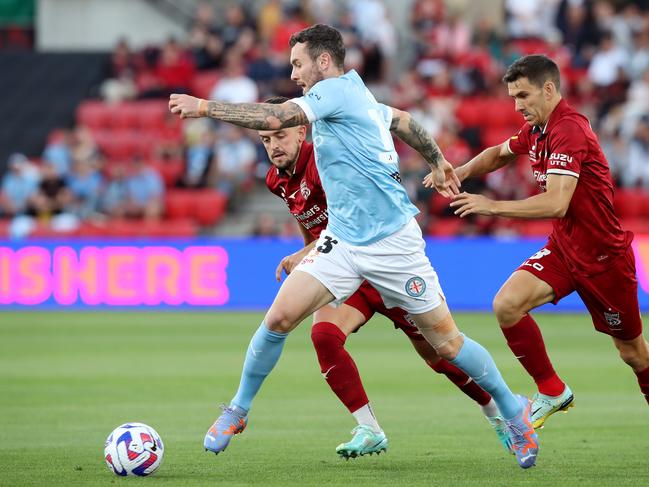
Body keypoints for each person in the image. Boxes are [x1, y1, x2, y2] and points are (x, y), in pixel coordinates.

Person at [169, 24, 538, 468]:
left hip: (393, 244)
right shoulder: (357, 96)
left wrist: (204, 106)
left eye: (298, 64)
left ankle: (511, 408)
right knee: (281, 317)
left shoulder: (336, 92)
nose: (294, 74)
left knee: (447, 346)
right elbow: (404, 121)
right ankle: (239, 409)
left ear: (324, 62)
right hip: (342, 241)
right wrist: (439, 161)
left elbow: (275, 118)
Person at [259, 95, 512, 457]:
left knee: (440, 356)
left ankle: (494, 411)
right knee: (325, 336)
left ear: (302, 131)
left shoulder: (325, 156)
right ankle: (368, 427)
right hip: (346, 271)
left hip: (385, 265)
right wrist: (310, 254)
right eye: (266, 140)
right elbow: (308, 219)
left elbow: (354, 213)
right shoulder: (277, 178)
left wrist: (307, 251)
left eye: (278, 136)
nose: (273, 146)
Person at [442, 54, 649, 429]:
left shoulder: (568, 129)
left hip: (604, 259)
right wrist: (461, 171)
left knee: (632, 353)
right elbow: (498, 154)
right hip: (564, 249)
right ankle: (552, 390)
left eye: (523, 95)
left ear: (549, 89)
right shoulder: (536, 129)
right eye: (512, 98)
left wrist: (491, 206)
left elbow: (556, 202)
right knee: (506, 305)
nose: (518, 106)